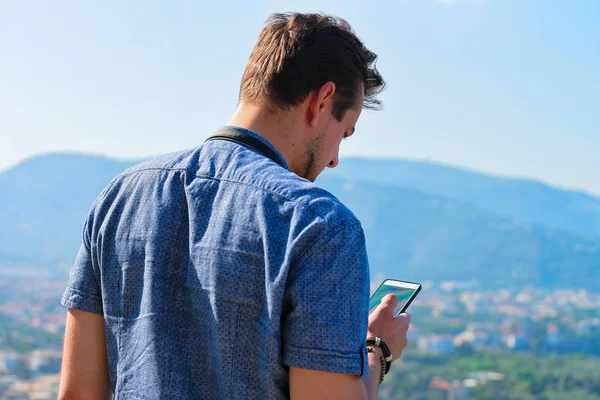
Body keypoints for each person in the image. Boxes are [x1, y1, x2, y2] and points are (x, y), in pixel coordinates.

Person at [58, 12, 411, 400]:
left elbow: (78, 394)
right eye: (344, 133)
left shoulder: (118, 198)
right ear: (323, 100)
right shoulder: (320, 226)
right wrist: (377, 351)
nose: (333, 159)